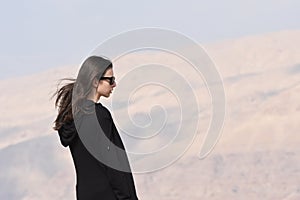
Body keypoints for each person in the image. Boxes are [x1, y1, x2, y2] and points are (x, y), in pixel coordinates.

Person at [52, 56, 139, 200]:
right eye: (110, 80)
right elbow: (113, 166)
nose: (114, 84)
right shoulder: (99, 116)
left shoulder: (73, 118)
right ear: (95, 81)